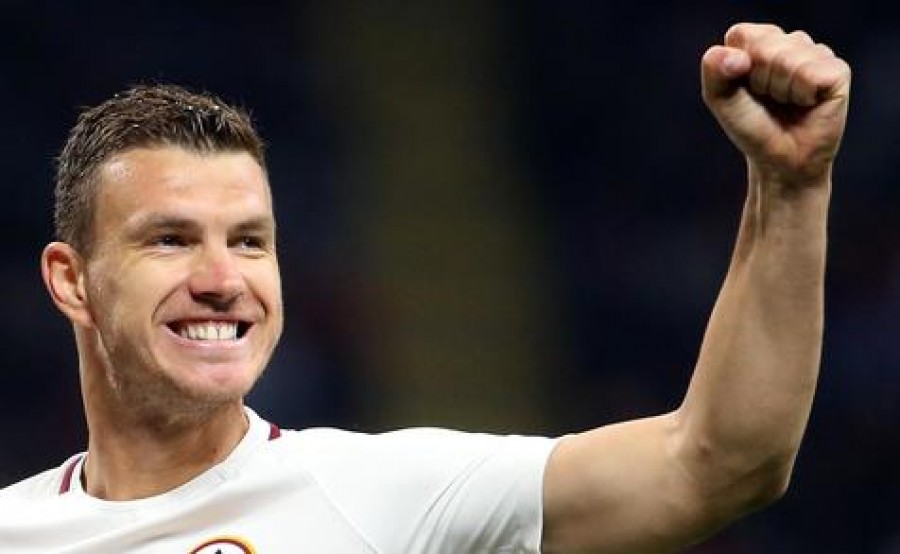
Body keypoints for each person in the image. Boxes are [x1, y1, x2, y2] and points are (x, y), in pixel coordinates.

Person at [0, 22, 849, 553]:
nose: (224, 280)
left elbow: (715, 465)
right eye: (171, 239)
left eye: (251, 241)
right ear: (72, 282)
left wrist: (791, 187)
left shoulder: (384, 496)